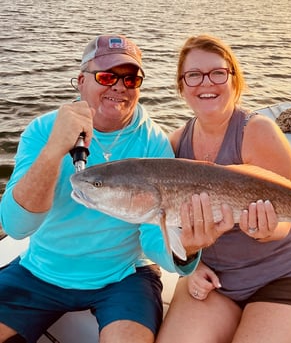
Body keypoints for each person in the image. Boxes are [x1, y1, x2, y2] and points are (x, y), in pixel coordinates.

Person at [0, 35, 234, 343]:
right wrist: (55, 149)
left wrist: (187, 249)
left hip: (123, 277)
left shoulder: (153, 142)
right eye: (107, 76)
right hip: (40, 272)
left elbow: (153, 236)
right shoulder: (43, 130)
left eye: (131, 78)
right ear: (81, 81)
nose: (119, 86)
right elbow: (16, 227)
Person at [156, 34, 291, 343]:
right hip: (215, 280)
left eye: (218, 73)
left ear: (235, 79)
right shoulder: (174, 145)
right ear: (181, 86)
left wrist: (264, 230)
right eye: (193, 75)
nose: (206, 83)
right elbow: (169, 231)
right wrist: (192, 265)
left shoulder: (257, 130)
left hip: (283, 275)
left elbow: (287, 218)